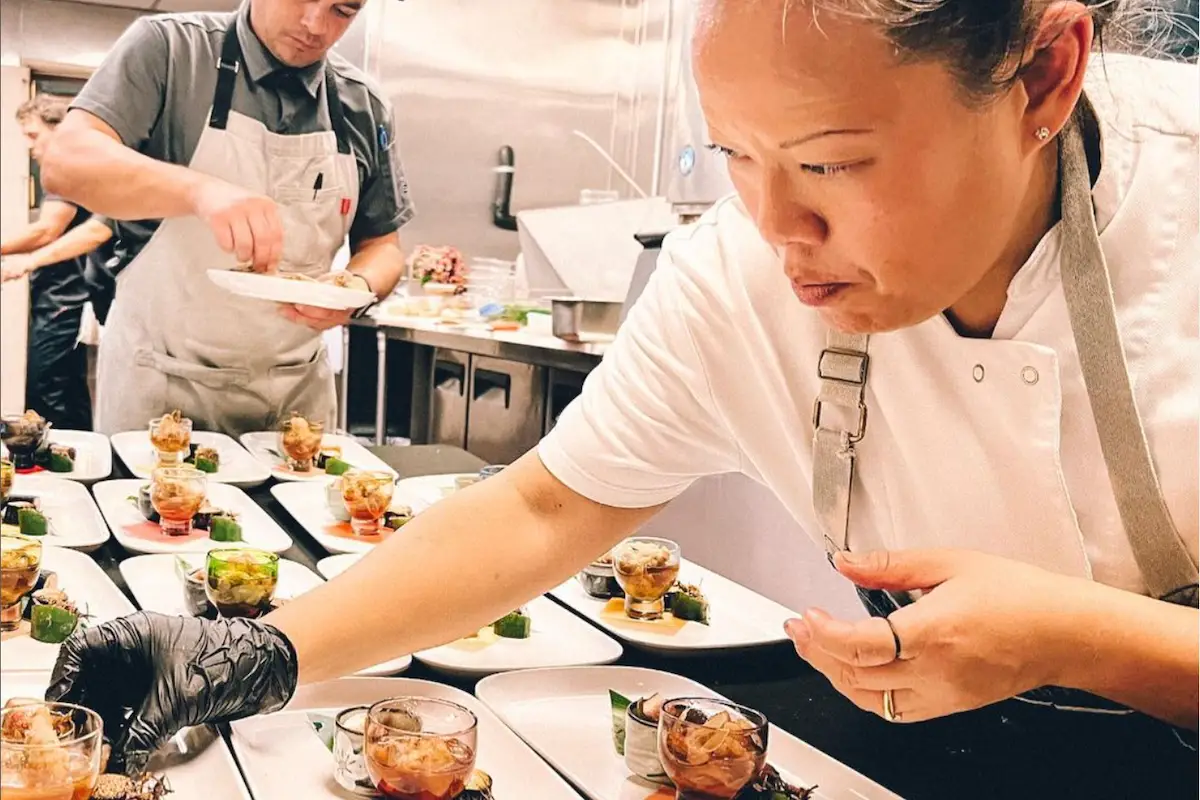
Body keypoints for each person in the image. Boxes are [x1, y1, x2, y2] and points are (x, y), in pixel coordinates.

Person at [47, 0, 1197, 793]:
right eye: (734, 156)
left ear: (1044, 76)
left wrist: (1082, 636)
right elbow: (545, 506)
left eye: (831, 162)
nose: (777, 229)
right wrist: (259, 653)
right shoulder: (737, 270)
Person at [40, 0, 412, 437]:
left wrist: (357, 287)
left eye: (342, 11)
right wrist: (198, 190)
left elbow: (383, 248)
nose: (315, 25)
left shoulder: (363, 105)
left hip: (294, 401)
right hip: (161, 390)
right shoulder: (171, 50)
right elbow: (65, 163)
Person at [1, 96, 108, 431]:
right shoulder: (79, 169)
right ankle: (73, 458)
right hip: (65, 295)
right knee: (66, 391)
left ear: (59, 128)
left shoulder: (70, 169)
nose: (30, 146)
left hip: (66, 299)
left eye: (33, 135)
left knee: (50, 392)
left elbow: (48, 229)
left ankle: (57, 461)